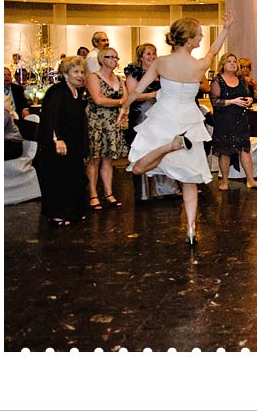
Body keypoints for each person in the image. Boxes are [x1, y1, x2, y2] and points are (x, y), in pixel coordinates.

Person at [119, 14, 234, 247]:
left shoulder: (161, 62)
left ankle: (168, 146)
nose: (202, 37)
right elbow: (213, 50)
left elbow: (137, 89)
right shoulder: (200, 64)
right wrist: (225, 29)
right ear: (190, 40)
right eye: (199, 34)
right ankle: (191, 228)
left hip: (163, 117)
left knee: (138, 167)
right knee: (189, 180)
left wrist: (124, 107)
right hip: (188, 122)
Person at [34, 56, 89, 226]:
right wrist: (57, 140)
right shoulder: (56, 91)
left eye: (82, 72)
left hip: (74, 143)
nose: (80, 75)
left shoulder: (77, 92)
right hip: (59, 144)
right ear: (66, 73)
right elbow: (50, 117)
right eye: (76, 72)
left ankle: (72, 212)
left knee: (73, 177)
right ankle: (56, 213)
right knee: (58, 178)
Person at [124, 43, 180, 201]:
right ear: (141, 56)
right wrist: (154, 94)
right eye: (148, 54)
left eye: (154, 53)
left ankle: (166, 188)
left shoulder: (160, 72)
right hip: (142, 114)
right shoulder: (134, 73)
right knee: (145, 149)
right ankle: (145, 192)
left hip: (161, 114)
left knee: (162, 147)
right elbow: (132, 95)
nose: (152, 57)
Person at [210, 53, 257, 191]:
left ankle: (251, 180)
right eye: (229, 61)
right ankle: (224, 181)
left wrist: (250, 99)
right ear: (223, 64)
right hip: (224, 120)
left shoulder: (240, 79)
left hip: (241, 118)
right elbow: (215, 102)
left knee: (244, 149)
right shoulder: (218, 81)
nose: (233, 64)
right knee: (225, 151)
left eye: (234, 61)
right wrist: (232, 101)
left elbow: (247, 95)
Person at [85, 47, 128, 211]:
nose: (114, 60)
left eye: (116, 58)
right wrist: (119, 103)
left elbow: (126, 97)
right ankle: (93, 194)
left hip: (113, 122)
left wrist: (122, 105)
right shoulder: (93, 77)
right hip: (96, 122)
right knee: (94, 158)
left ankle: (109, 193)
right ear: (102, 59)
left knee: (109, 159)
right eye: (111, 57)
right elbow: (98, 100)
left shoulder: (119, 79)